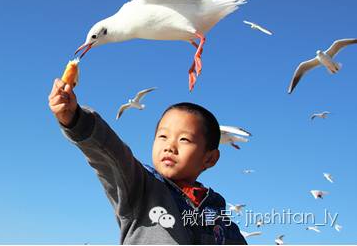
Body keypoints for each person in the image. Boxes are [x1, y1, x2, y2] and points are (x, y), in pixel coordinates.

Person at [48, 78, 247, 245]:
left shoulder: (217, 216)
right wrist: (76, 120)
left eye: (184, 139)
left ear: (210, 158)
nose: (170, 146)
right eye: (162, 137)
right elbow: (112, 154)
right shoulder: (141, 186)